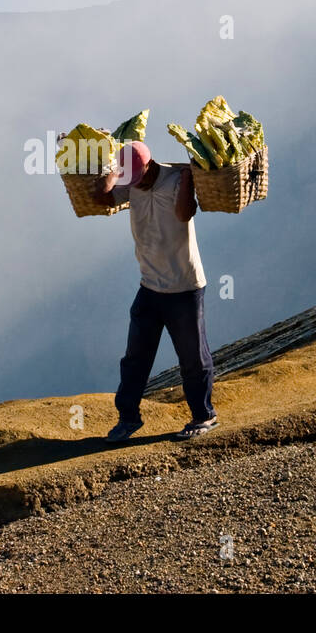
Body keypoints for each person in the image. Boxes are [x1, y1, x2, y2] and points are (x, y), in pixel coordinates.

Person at [92, 140, 219, 442]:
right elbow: (102, 200)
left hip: (184, 287)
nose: (135, 184)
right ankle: (128, 418)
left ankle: (204, 416)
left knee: (192, 357)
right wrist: (113, 173)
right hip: (149, 285)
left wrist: (188, 179)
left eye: (137, 177)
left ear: (150, 165)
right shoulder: (132, 184)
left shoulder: (176, 180)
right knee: (135, 356)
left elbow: (184, 213)